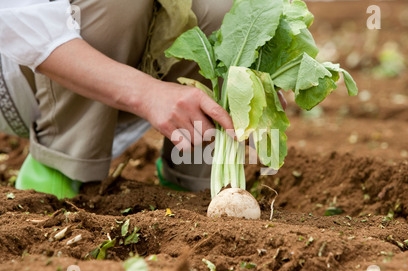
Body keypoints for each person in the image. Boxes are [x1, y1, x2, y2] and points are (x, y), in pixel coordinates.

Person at [0, 0, 237, 199]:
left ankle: (195, 185)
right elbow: (18, 24)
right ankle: (60, 161)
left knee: (224, 7)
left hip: (132, 73)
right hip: (28, 77)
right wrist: (147, 93)